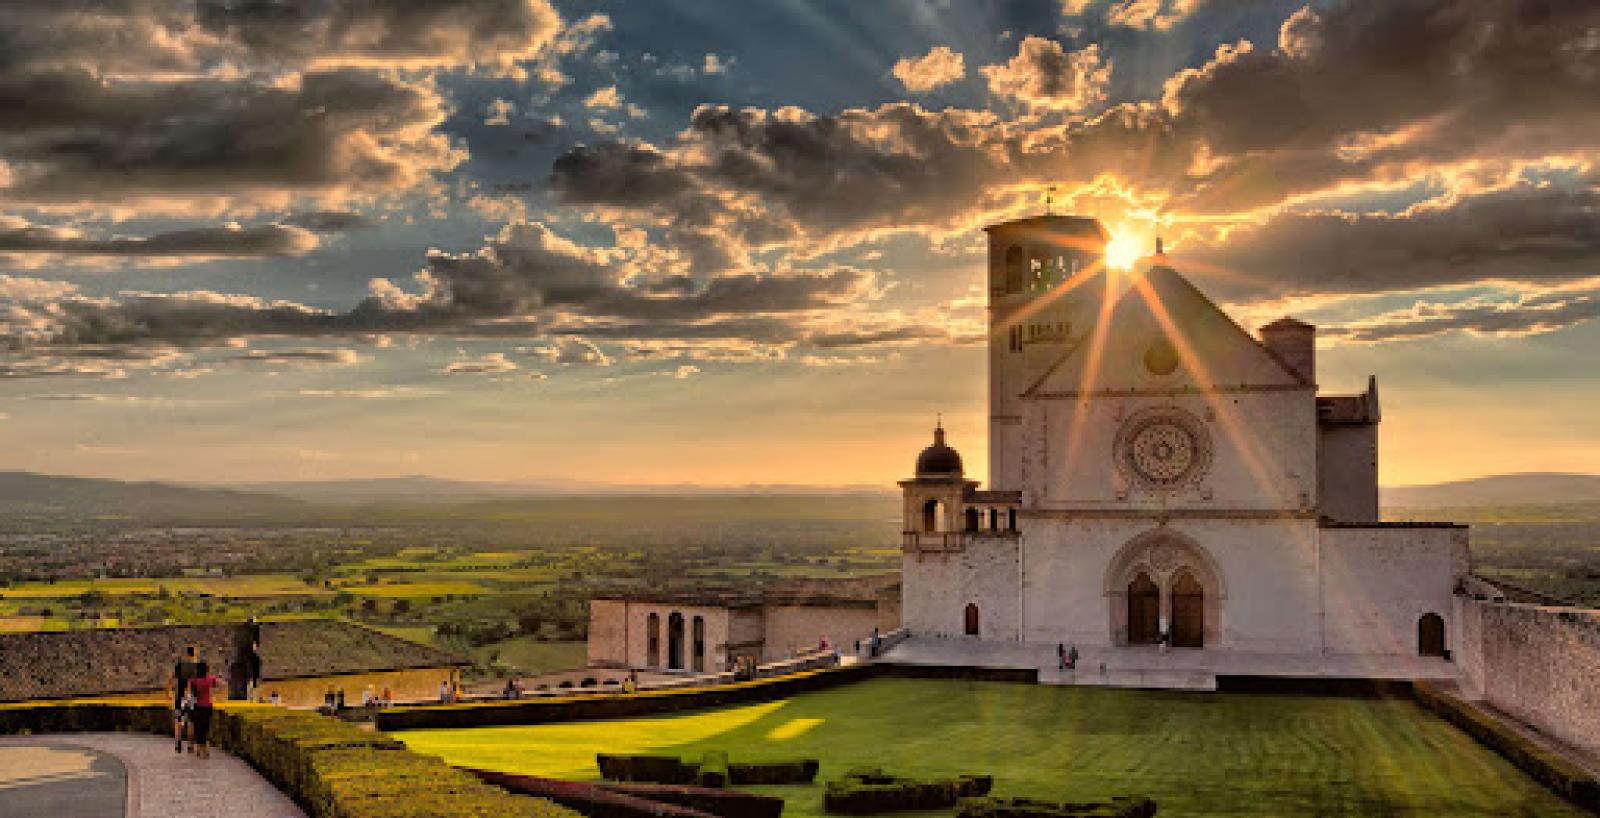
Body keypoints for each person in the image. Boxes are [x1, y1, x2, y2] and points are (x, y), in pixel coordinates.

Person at [167, 644, 202, 754]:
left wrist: (169, 691)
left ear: (187, 654)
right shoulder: (199, 667)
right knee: (191, 721)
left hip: (180, 695)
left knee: (178, 719)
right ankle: (190, 745)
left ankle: (178, 742)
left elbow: (171, 678)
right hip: (193, 697)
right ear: (195, 653)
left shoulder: (180, 665)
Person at [186, 661, 221, 759]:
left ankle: (199, 748)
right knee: (205, 728)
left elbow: (189, 695)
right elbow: (223, 684)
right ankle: (205, 750)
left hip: (197, 706)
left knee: (198, 728)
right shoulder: (210, 680)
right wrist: (215, 693)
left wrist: (189, 706)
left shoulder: (193, 681)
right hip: (207, 706)